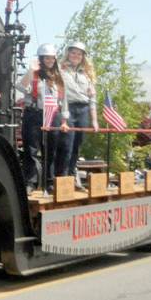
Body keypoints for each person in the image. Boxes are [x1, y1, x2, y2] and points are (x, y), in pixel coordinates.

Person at [20, 44, 69, 191]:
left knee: (51, 150)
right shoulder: (33, 75)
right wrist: (31, 70)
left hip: (53, 115)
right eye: (47, 57)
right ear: (41, 59)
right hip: (33, 114)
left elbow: (64, 100)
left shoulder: (58, 77)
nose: (50, 60)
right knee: (31, 149)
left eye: (52, 58)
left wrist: (64, 120)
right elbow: (20, 86)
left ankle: (49, 182)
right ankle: (31, 182)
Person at [58, 41, 98, 189]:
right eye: (73, 52)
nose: (75, 56)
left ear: (83, 57)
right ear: (68, 53)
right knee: (66, 145)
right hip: (67, 108)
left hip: (83, 110)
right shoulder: (60, 70)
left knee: (76, 146)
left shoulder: (86, 74)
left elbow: (92, 97)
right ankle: (63, 179)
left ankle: (72, 175)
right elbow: (60, 94)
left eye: (79, 54)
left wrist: (94, 120)